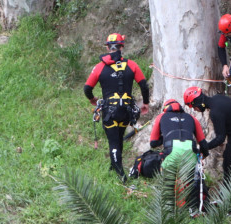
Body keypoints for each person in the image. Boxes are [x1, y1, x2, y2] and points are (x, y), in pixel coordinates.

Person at [84, 33, 151, 181]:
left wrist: (92, 99)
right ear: (122, 46)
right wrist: (145, 103)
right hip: (126, 111)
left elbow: (87, 88)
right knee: (119, 137)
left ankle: (120, 173)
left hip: (110, 111)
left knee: (113, 141)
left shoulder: (100, 67)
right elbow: (144, 85)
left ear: (108, 47)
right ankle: (114, 164)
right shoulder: (132, 65)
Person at [184, 86, 231, 215]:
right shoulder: (217, 98)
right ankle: (224, 199)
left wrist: (203, 148)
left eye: (193, 107)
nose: (195, 110)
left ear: (197, 103)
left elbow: (220, 138)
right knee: (230, 167)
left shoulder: (215, 112)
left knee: (230, 171)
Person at [149, 98, 209, 212]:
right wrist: (204, 155)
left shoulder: (161, 117)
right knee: (192, 182)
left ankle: (169, 210)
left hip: (171, 153)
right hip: (190, 154)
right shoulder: (192, 118)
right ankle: (193, 209)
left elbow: (153, 143)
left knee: (169, 183)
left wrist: (167, 136)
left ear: (166, 108)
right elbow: (203, 143)